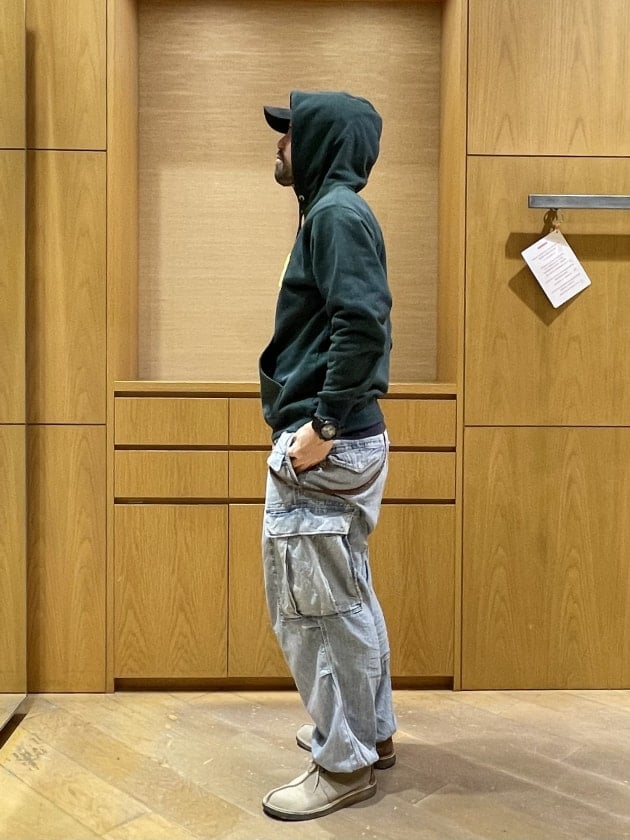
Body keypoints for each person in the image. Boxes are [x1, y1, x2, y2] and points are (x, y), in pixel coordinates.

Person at [259, 90, 396, 822]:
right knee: (346, 596)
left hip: (329, 442)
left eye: (289, 134)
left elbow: (363, 323)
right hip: (345, 439)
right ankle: (371, 735)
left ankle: (343, 764)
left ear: (319, 142)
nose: (279, 145)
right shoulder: (333, 212)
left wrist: (323, 426)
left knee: (314, 611)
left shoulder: (336, 214)